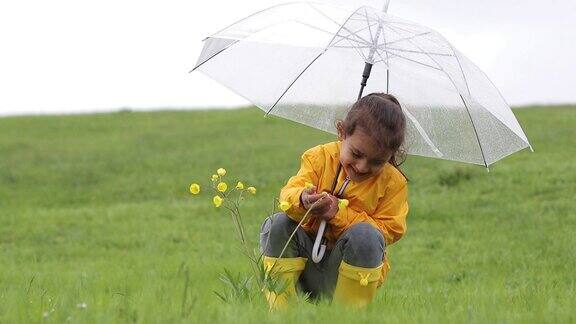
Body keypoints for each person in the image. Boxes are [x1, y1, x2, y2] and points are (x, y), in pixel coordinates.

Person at [259, 93, 409, 309]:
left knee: (366, 235)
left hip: (350, 274)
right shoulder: (318, 157)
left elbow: (389, 230)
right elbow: (288, 194)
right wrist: (303, 199)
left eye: (377, 161)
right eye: (356, 154)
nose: (362, 167)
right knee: (277, 224)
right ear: (341, 132)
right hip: (305, 264)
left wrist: (337, 214)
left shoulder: (393, 182)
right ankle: (282, 314)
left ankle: (346, 317)